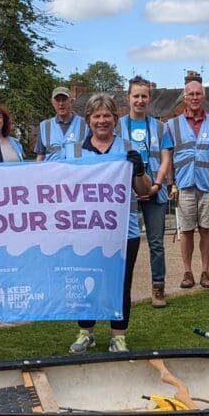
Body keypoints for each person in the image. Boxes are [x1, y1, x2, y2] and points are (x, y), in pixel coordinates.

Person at [68, 93, 152, 354]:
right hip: (87, 231)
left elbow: (144, 190)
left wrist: (139, 170)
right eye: (96, 116)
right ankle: (86, 332)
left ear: (115, 119)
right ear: (88, 120)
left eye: (107, 116)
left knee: (120, 284)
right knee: (86, 282)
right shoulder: (75, 151)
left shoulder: (127, 148)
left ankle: (118, 336)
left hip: (124, 230)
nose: (102, 120)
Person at [118, 76, 174, 308]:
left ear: (149, 98)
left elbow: (165, 159)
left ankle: (158, 288)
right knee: (122, 243)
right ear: (128, 97)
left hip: (154, 191)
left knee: (156, 243)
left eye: (144, 96)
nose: (140, 100)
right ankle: (120, 289)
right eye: (135, 96)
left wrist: (156, 185)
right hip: (125, 192)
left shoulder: (160, 127)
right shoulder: (118, 125)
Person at [168, 77, 209, 289]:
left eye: (198, 94)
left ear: (203, 96)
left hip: (208, 185)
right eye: (191, 94)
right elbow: (167, 157)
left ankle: (205, 271)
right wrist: (171, 184)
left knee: (206, 229)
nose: (195, 98)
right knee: (186, 231)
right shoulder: (171, 125)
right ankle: (187, 272)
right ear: (185, 97)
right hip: (184, 184)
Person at [34, 86, 88, 161]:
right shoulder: (44, 126)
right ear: (52, 103)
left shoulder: (85, 125)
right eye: (57, 100)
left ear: (71, 102)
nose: (61, 104)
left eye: (64, 100)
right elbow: (40, 155)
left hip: (76, 171)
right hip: (51, 172)